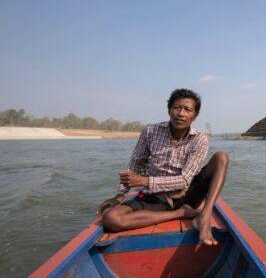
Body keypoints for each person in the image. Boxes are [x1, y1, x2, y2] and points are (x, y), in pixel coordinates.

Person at [97, 88, 228, 246]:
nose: (181, 113)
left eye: (187, 109)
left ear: (195, 116)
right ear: (169, 110)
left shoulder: (199, 140)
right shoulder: (150, 131)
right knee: (111, 219)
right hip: (155, 197)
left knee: (221, 157)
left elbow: (185, 180)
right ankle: (181, 213)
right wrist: (120, 195)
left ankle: (204, 215)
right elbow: (136, 164)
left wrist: (145, 181)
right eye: (176, 107)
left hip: (187, 194)